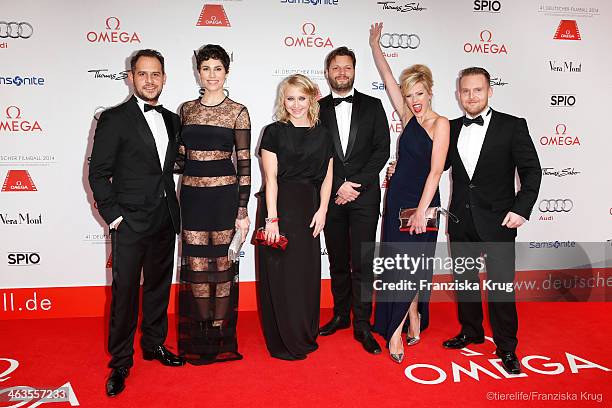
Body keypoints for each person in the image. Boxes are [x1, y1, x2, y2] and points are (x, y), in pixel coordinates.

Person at [89, 49, 185, 397]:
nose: (149, 80)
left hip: (165, 218)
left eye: (156, 74)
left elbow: (173, 167)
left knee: (159, 287)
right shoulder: (114, 118)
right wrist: (114, 217)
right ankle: (120, 361)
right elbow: (99, 174)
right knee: (126, 293)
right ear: (131, 77)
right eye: (142, 74)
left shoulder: (174, 120)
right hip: (129, 221)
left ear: (164, 77)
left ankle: (154, 344)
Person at [442, 67, 541, 375]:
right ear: (458, 94)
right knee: (465, 282)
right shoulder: (451, 127)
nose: (471, 96)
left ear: (489, 91)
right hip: (460, 219)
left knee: (500, 287)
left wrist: (521, 209)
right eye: (465, 91)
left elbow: (532, 171)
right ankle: (471, 331)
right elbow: (435, 166)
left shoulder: (512, 126)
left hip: (499, 220)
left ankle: (507, 347)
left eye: (477, 90)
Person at [368, 22, 450, 363]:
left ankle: (397, 332)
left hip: (424, 203)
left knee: (412, 264)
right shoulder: (408, 116)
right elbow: (388, 79)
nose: (414, 100)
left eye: (419, 93)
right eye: (410, 94)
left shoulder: (441, 124)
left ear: (430, 91)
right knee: (399, 264)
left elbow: (435, 172)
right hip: (397, 197)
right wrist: (375, 46)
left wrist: (420, 210)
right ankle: (411, 315)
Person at [175, 44, 251, 365]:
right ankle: (201, 327)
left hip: (224, 198)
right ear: (198, 71)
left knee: (221, 265)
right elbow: (178, 158)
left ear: (227, 71)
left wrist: (242, 208)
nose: (212, 75)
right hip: (191, 198)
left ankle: (220, 330)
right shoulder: (186, 110)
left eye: (217, 68)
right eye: (205, 68)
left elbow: (244, 163)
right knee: (196, 266)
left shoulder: (237, 111)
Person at [318, 46, 390, 355]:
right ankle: (340, 315)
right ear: (328, 72)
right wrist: (337, 186)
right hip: (331, 197)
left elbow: (382, 150)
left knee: (362, 262)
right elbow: (314, 155)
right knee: (337, 260)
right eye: (336, 68)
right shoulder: (316, 108)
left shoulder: (373, 106)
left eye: (347, 67)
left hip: (363, 197)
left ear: (354, 70)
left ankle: (362, 323)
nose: (342, 73)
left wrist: (353, 184)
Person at [257, 74, 334, 360]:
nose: (296, 104)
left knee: (305, 274)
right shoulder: (274, 131)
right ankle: (283, 337)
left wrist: (323, 209)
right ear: (283, 100)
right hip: (280, 208)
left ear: (311, 99)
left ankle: (304, 331)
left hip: (310, 210)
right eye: (290, 98)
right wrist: (272, 220)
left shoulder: (323, 134)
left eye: (302, 98)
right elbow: (271, 179)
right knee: (281, 275)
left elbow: (328, 176)